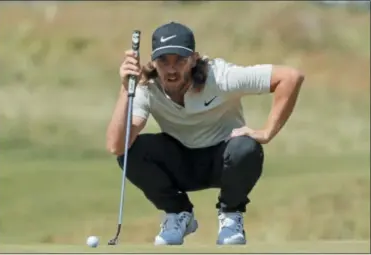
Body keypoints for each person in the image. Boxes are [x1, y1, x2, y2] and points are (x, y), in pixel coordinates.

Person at [106, 22, 305, 245]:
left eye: (180, 60)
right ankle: (178, 213)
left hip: (224, 160)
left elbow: (290, 77)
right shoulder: (146, 86)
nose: (171, 70)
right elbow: (116, 145)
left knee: (246, 147)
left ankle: (231, 215)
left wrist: (267, 132)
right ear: (152, 62)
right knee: (131, 151)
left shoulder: (220, 76)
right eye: (163, 61)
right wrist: (126, 88)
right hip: (181, 161)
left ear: (193, 59)